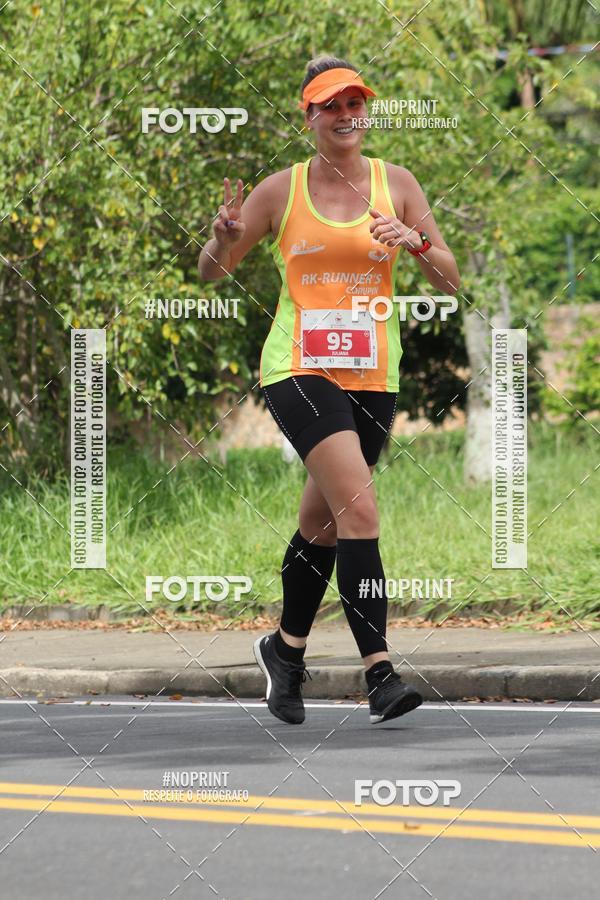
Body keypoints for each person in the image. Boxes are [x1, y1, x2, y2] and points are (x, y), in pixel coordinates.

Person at [198, 55, 461, 725]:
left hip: (374, 372)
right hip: (299, 368)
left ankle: (284, 651)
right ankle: (380, 673)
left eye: (355, 103)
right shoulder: (279, 192)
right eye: (330, 105)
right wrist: (220, 240)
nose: (346, 115)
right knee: (363, 515)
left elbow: (449, 279)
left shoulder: (395, 182)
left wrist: (417, 239)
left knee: (321, 524)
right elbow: (211, 272)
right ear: (308, 116)